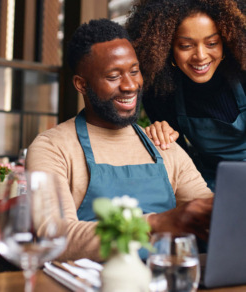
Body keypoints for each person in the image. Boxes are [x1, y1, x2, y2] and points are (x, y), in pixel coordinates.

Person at [26, 18, 213, 262]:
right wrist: (156, 223)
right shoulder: (52, 148)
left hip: (166, 280)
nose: (130, 85)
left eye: (134, 71)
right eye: (114, 76)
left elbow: (208, 213)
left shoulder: (163, 143)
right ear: (81, 85)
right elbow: (54, 235)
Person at [126, 0, 246, 191]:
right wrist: (161, 136)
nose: (200, 55)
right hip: (211, 185)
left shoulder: (242, 71)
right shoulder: (161, 92)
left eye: (212, 43)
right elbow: (180, 163)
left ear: (226, 41)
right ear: (167, 48)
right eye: (186, 45)